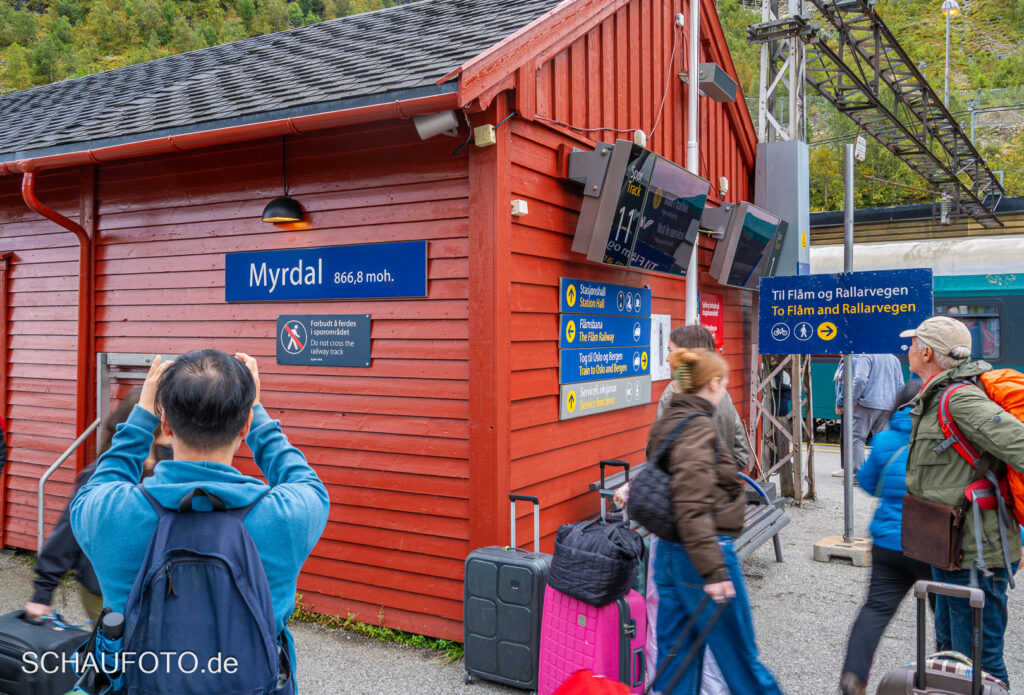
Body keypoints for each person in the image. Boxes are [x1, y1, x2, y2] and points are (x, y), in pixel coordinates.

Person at [71, 350, 329, 689]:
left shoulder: (112, 514)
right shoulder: (285, 516)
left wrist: (141, 417)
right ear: (245, 426)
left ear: (164, 424)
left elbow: (102, 481)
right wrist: (258, 416)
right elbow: (305, 480)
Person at [646, 347, 783, 694]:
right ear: (712, 384)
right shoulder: (698, 430)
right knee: (740, 660)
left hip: (670, 554)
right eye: (721, 382)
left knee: (676, 660)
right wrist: (714, 572)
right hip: (703, 553)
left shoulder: (669, 422)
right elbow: (691, 504)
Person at [901, 315, 1024, 686]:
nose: (907, 350)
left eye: (913, 344)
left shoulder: (961, 398)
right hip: (949, 547)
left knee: (980, 662)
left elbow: (1019, 444)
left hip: (976, 553)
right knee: (950, 653)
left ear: (926, 352)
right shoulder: (939, 393)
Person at [652, 325, 746, 694]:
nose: (666, 356)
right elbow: (739, 454)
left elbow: (662, 464)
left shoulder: (671, 398)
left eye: (672, 350)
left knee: (678, 632)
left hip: (684, 531)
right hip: (720, 525)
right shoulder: (720, 393)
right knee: (722, 634)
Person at [24, 388, 171, 622]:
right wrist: (43, 592)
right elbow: (69, 531)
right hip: (103, 591)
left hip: (154, 590)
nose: (149, 459)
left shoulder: (169, 468)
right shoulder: (100, 475)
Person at [839, 380, 937, 695]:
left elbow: (868, 484)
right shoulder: (946, 440)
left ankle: (853, 675)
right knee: (946, 617)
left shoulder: (883, 441)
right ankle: (952, 680)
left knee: (875, 610)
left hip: (887, 544)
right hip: (933, 547)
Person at [833, 353, 904, 476]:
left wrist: (852, 400)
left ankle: (857, 473)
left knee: (856, 438)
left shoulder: (867, 357)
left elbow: (860, 379)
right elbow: (900, 385)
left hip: (867, 404)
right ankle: (883, 472)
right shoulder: (894, 359)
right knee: (883, 439)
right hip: (888, 405)